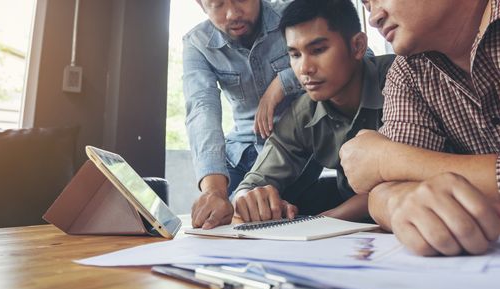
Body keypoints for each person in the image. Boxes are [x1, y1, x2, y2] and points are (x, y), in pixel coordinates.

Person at [339, 0, 500, 256]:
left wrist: (387, 159)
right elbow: (382, 192)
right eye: (367, 5)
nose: (373, 17)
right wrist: (399, 202)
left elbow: (385, 170)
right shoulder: (409, 71)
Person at [232, 0, 395, 223]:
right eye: (295, 55)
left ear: (357, 46)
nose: (304, 69)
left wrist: (321, 222)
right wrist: (249, 199)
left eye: (318, 50)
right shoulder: (302, 113)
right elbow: (252, 185)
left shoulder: (400, 79)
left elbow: (403, 179)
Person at [184, 0, 303, 229]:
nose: (232, 14)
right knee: (218, 217)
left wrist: (283, 82)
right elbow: (202, 108)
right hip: (241, 152)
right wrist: (214, 190)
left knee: (261, 215)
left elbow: (352, 58)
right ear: (201, 5)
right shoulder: (197, 43)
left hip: (296, 149)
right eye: (217, 4)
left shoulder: (295, 13)